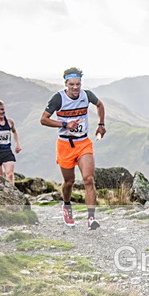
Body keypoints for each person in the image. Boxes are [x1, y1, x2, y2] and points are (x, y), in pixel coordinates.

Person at [40, 67, 106, 229]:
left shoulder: (86, 95)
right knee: (68, 182)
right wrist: (64, 124)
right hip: (65, 145)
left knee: (89, 179)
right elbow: (43, 119)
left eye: (78, 84)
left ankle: (91, 218)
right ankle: (67, 206)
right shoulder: (58, 99)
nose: (75, 88)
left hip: (83, 143)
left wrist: (101, 124)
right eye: (72, 84)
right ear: (66, 84)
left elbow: (100, 105)